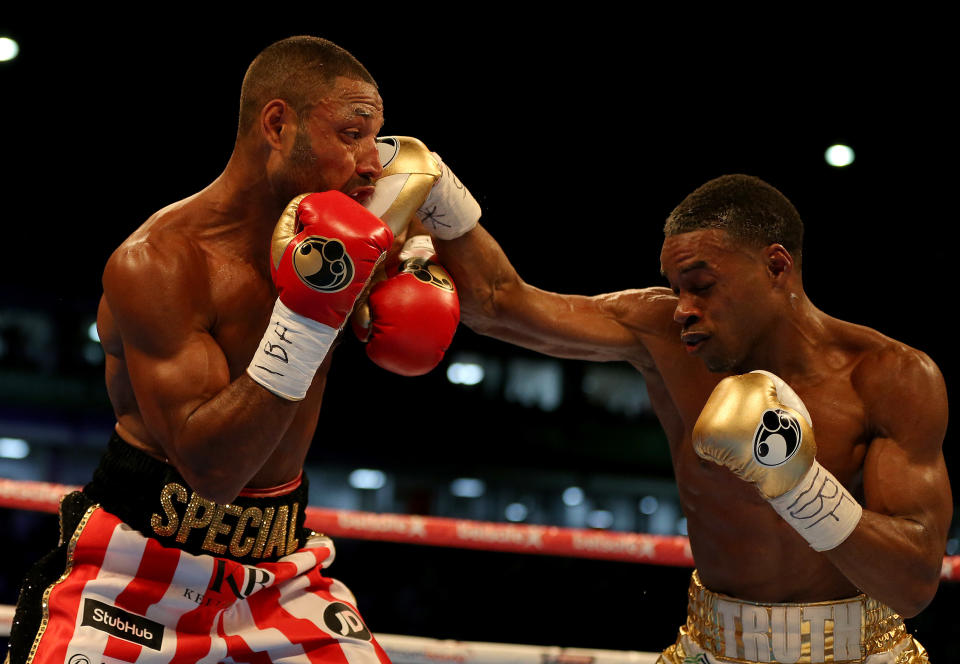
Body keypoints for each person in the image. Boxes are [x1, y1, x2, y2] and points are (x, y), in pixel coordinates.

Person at [6, 36, 458, 664]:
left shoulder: (367, 222)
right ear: (278, 125)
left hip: (279, 573)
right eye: (352, 134)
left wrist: (458, 219)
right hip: (134, 569)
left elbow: (508, 302)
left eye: (375, 137)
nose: (371, 163)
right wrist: (311, 315)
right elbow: (214, 472)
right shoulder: (161, 261)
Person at [408, 157, 951, 662]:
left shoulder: (890, 376)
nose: (684, 309)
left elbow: (914, 584)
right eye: (676, 289)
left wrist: (800, 486)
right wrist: (436, 190)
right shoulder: (662, 333)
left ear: (776, 266)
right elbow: (500, 303)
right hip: (710, 646)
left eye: (702, 286)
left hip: (863, 652)